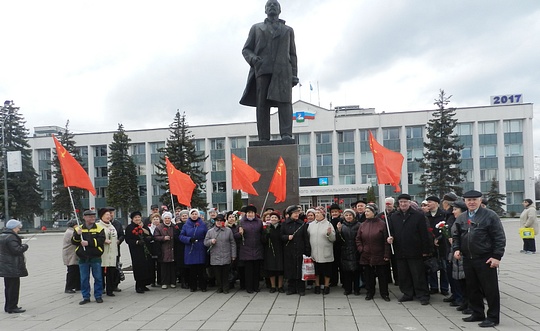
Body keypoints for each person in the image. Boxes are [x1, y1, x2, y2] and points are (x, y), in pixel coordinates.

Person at [239, 0, 299, 141]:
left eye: (275, 5)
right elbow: (246, 49)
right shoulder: (256, 28)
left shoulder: (288, 30)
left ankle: (286, 134)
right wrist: (253, 59)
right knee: (262, 104)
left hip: (283, 70)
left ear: (279, 10)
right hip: (263, 69)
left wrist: (294, 75)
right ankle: (263, 137)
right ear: (265, 10)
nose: (272, 6)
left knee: (284, 103)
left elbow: (292, 54)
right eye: (269, 5)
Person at [453, 190, 506, 328]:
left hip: (486, 258)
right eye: (468, 200)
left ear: (480, 201)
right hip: (468, 259)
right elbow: (456, 235)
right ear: (464, 201)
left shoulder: (490, 216)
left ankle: (493, 317)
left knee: (490, 289)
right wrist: (456, 249)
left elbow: (499, 237)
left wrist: (496, 256)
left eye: (474, 199)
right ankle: (477, 313)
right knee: (472, 288)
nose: (471, 202)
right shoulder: (462, 217)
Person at [387, 193, 431, 305]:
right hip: (400, 251)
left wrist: (425, 250)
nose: (403, 204)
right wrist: (390, 238)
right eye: (401, 202)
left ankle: (422, 295)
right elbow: (391, 231)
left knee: (418, 274)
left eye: (405, 202)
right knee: (404, 275)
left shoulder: (418, 215)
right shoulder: (394, 216)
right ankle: (408, 293)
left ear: (409, 203)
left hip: (415, 250)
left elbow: (424, 234)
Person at [356, 204, 391, 301]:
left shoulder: (382, 224)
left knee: (382, 276)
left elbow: (386, 240)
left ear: (374, 212)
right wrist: (361, 249)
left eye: (368, 211)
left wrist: (386, 254)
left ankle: (384, 293)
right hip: (366, 254)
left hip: (380, 254)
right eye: (365, 211)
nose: (366, 213)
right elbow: (358, 239)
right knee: (368, 276)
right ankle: (370, 292)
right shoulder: (363, 225)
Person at [72, 210, 105, 305]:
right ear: (84, 218)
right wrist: (78, 235)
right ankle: (86, 296)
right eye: (90, 217)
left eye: (93, 216)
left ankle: (98, 296)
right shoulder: (79, 228)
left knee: (98, 277)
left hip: (95, 256)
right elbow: (74, 242)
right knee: (84, 278)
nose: (92, 218)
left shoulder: (99, 228)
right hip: (83, 257)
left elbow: (101, 240)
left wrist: (89, 243)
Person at [281, 205, 311, 296]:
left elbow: (306, 238)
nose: (297, 214)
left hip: (300, 250)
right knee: (290, 269)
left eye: (298, 213)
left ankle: (301, 288)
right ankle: (291, 288)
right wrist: (287, 237)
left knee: (300, 269)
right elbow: (281, 236)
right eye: (295, 213)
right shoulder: (284, 224)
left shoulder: (302, 224)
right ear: (290, 214)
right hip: (289, 251)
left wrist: (307, 251)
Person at [0, 219, 29, 314]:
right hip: (12, 266)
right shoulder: (11, 237)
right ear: (13, 228)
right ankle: (13, 307)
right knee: (14, 287)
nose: (19, 230)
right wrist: (24, 246)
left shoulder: (2, 236)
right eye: (18, 228)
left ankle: (8, 306)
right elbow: (16, 250)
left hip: (5, 265)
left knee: (8, 287)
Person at [204, 214, 236, 294]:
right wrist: (211, 241)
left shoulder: (228, 231)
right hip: (215, 256)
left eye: (220, 221)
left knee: (225, 273)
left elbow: (232, 243)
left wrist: (233, 255)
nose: (219, 222)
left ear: (223, 222)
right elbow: (205, 242)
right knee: (217, 274)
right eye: (217, 221)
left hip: (226, 255)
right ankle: (220, 287)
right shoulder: (210, 231)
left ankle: (226, 287)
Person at [424, 196, 449, 296]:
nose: (428, 204)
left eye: (430, 202)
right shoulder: (426, 215)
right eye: (427, 202)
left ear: (437, 203)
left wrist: (439, 238)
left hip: (442, 245)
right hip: (430, 245)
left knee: (444, 267)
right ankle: (433, 286)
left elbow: (447, 229)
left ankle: (444, 287)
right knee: (431, 266)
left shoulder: (444, 215)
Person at [307, 206, 336, 294]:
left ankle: (326, 286)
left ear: (323, 214)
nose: (317, 215)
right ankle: (317, 286)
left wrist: (329, 234)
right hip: (314, 252)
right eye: (315, 213)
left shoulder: (328, 224)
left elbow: (333, 239)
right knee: (316, 271)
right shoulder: (311, 225)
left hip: (325, 252)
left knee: (327, 271)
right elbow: (308, 237)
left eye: (318, 213)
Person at [124, 211, 154, 293]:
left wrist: (149, 238)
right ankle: (139, 285)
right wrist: (136, 242)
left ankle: (144, 284)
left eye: (138, 217)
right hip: (136, 251)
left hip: (146, 250)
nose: (137, 219)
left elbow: (150, 235)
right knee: (139, 267)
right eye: (135, 218)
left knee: (146, 266)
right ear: (132, 219)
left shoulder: (143, 226)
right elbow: (128, 240)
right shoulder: (129, 228)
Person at [179, 209, 208, 292]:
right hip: (190, 248)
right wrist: (189, 239)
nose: (194, 215)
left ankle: (203, 286)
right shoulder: (186, 225)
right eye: (192, 214)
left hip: (200, 247)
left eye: (196, 214)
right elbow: (181, 236)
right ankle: (193, 286)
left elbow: (207, 235)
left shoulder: (202, 224)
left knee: (201, 269)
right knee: (192, 270)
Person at [238, 205, 264, 293]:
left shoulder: (259, 222)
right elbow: (235, 236)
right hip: (246, 249)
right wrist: (240, 233)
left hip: (257, 248)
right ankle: (249, 287)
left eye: (252, 213)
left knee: (256, 270)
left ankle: (256, 287)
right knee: (248, 271)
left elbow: (262, 234)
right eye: (248, 212)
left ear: (255, 214)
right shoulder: (241, 222)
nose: (250, 214)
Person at [336, 209, 361, 296]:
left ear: (353, 216)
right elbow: (338, 240)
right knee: (346, 272)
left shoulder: (359, 225)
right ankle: (348, 289)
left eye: (350, 215)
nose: (348, 217)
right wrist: (338, 231)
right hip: (345, 251)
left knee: (356, 272)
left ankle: (357, 289)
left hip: (356, 250)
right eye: (346, 215)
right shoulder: (342, 226)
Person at [97, 208, 119, 297]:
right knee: (101, 272)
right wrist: (103, 241)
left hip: (112, 252)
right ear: (101, 216)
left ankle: (110, 289)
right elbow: (96, 238)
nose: (108, 216)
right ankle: (101, 288)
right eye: (106, 215)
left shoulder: (111, 226)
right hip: (103, 252)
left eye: (109, 215)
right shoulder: (98, 226)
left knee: (111, 272)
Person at [262, 211, 284, 293]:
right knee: (271, 270)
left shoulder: (281, 227)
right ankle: (273, 286)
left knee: (280, 269)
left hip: (280, 250)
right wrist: (266, 235)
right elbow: (262, 240)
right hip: (270, 250)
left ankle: (280, 286)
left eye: (275, 217)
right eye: (272, 217)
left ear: (278, 219)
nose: (273, 219)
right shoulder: (267, 228)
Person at [154, 212, 176, 289]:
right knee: (164, 268)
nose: (167, 220)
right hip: (163, 250)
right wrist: (163, 238)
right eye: (166, 218)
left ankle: (173, 282)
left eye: (169, 218)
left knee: (172, 267)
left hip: (173, 249)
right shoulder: (159, 227)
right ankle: (164, 282)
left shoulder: (174, 226)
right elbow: (155, 237)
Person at [62, 220, 80, 294]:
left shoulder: (70, 231)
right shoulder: (70, 232)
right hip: (70, 254)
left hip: (72, 254)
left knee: (76, 270)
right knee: (71, 271)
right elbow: (76, 240)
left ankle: (77, 285)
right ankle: (69, 287)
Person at [174, 210, 189, 288]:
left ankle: (189, 281)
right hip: (181, 248)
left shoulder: (191, 224)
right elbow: (175, 236)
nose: (184, 216)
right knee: (182, 266)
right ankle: (183, 281)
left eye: (186, 215)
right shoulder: (177, 226)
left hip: (189, 247)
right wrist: (183, 240)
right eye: (183, 215)